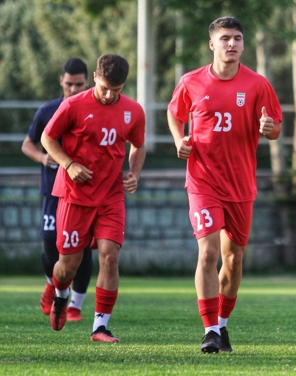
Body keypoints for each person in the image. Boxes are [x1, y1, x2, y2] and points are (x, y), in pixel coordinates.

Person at [167, 16, 282, 354]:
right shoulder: (191, 82)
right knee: (209, 253)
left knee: (234, 260)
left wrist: (268, 128)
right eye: (225, 38)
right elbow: (175, 114)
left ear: (243, 45)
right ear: (212, 44)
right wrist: (179, 139)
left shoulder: (258, 84)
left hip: (241, 184)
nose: (232, 44)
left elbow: (275, 128)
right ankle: (209, 330)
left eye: (237, 38)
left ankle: (222, 325)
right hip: (203, 181)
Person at [41, 53, 146, 343]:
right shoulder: (73, 105)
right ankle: (60, 294)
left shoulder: (133, 111)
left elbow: (138, 145)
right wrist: (69, 164)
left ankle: (100, 327)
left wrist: (134, 172)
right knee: (67, 267)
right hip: (75, 196)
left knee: (110, 258)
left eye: (118, 89)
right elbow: (48, 138)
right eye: (105, 88)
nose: (111, 94)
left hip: (111, 197)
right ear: (96, 78)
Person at [21, 58, 93, 322]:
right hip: (53, 191)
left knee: (84, 250)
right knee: (51, 249)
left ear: (88, 82)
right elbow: (27, 144)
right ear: (61, 81)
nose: (74, 89)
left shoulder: (94, 110)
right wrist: (42, 158)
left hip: (85, 192)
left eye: (79, 84)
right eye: (69, 84)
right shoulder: (48, 110)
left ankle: (74, 306)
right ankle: (53, 283)